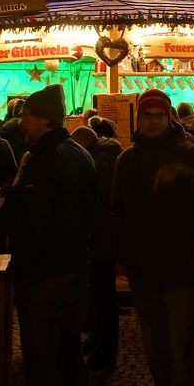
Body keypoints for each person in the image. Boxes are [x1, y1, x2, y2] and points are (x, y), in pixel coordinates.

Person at [0, 84, 96, 386]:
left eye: (27, 115)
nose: (21, 122)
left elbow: (30, 222)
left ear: (44, 119)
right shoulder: (81, 155)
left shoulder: (42, 161)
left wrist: (15, 195)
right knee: (71, 361)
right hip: (75, 274)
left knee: (41, 371)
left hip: (44, 278)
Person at [113, 88, 194, 386]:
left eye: (159, 115)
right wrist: (123, 257)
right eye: (147, 116)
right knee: (158, 361)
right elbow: (118, 212)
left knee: (180, 360)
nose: (153, 121)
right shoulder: (128, 160)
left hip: (180, 274)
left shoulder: (187, 151)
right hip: (145, 276)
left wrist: (182, 174)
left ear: (169, 117)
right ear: (138, 120)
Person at [71, 119, 123, 369]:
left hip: (103, 237)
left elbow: (101, 205)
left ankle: (106, 350)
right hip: (103, 236)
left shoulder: (100, 161)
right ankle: (99, 339)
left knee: (104, 294)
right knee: (101, 292)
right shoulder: (101, 155)